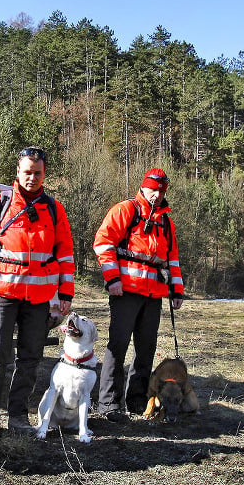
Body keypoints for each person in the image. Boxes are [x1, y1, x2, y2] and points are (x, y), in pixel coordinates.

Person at [0, 147, 75, 442]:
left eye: (37, 173)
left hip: (38, 300)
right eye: (27, 172)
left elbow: (64, 254)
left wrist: (65, 293)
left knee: (30, 359)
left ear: (44, 174)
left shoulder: (54, 209)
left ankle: (17, 416)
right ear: (18, 172)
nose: (32, 177)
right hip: (3, 296)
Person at [93, 168, 184, 421]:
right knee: (117, 347)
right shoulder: (125, 210)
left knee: (146, 350)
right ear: (143, 187)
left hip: (153, 295)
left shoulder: (166, 222)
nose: (157, 195)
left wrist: (176, 290)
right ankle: (109, 403)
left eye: (162, 191)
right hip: (125, 293)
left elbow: (172, 260)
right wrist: (112, 279)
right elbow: (103, 243)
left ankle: (136, 401)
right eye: (153, 189)